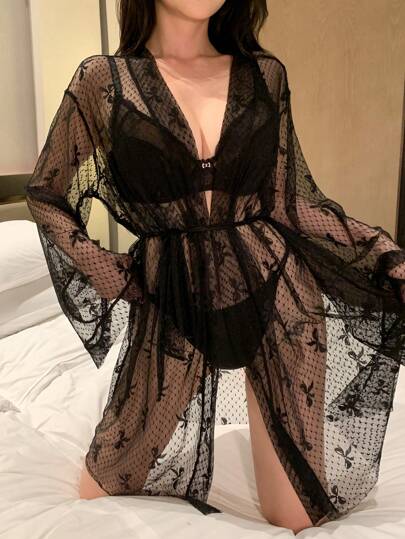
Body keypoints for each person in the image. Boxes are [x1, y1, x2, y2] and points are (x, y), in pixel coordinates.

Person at [24, 0, 405, 534]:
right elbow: (46, 193)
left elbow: (290, 203)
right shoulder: (103, 80)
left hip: (278, 291)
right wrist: (106, 268)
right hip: (171, 298)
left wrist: (384, 253)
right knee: (102, 485)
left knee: (296, 515)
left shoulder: (264, 74)